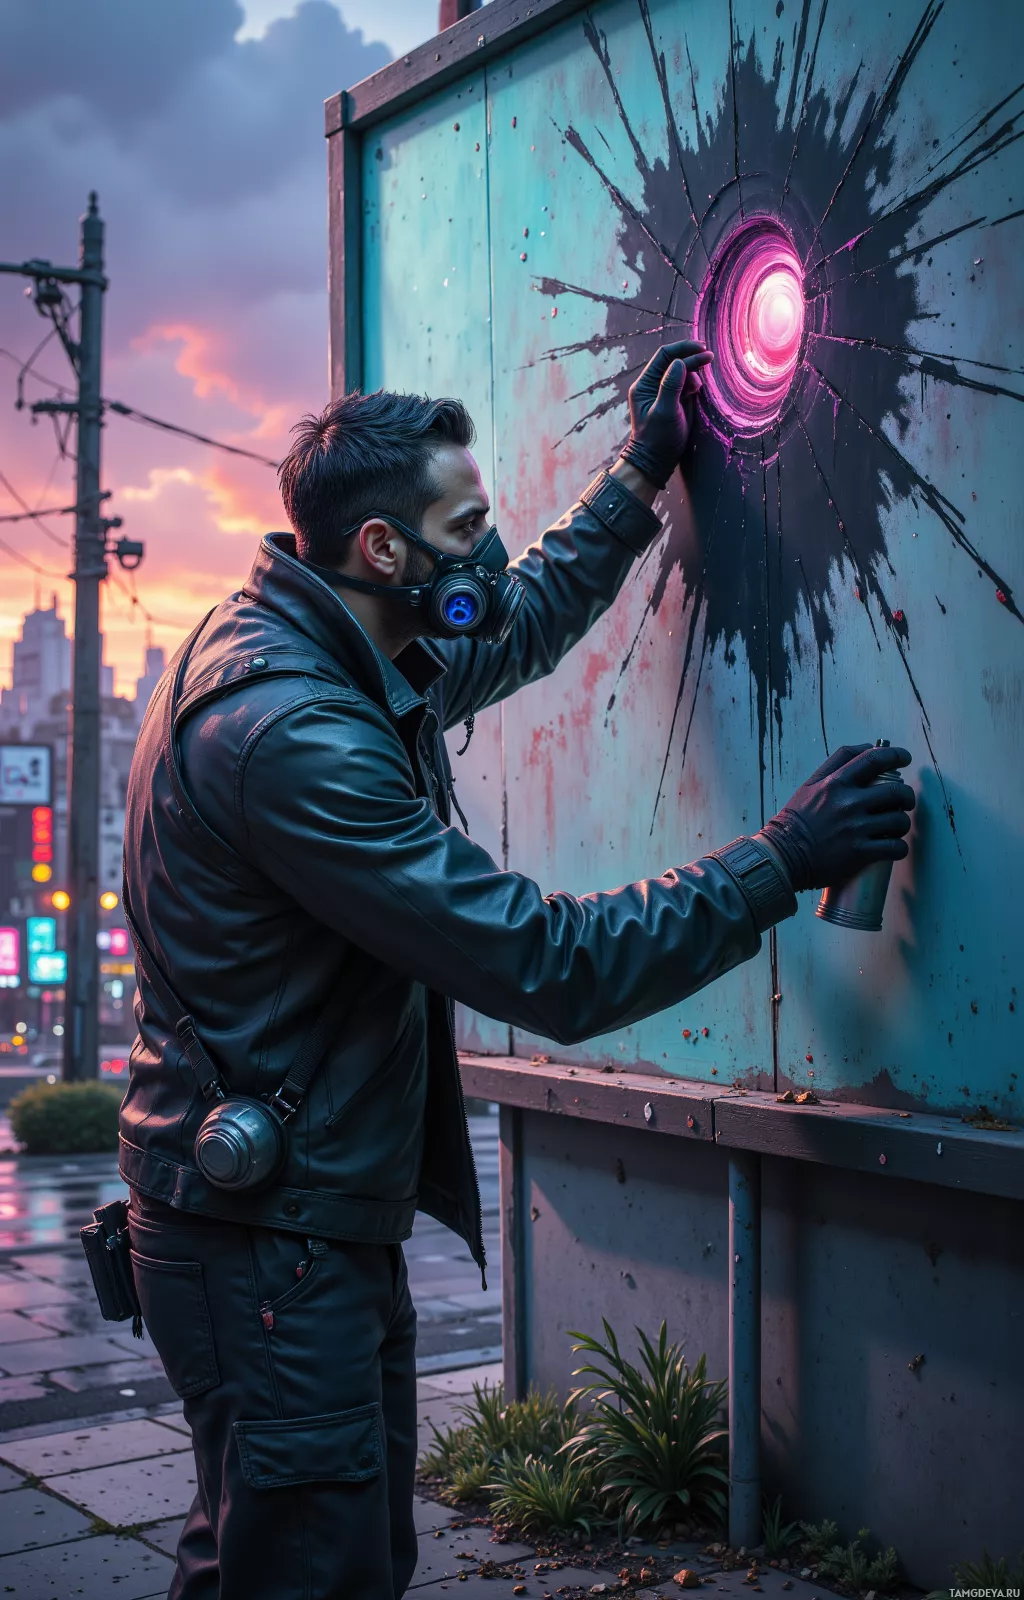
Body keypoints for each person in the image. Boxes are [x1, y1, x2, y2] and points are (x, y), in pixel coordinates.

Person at [119, 341, 915, 1600]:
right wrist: (781, 858)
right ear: (385, 551)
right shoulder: (295, 735)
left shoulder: (332, 643)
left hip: (294, 1226)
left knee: (304, 1562)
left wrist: (643, 468)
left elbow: (519, 615)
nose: (488, 552)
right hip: (269, 1250)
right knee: (306, 1574)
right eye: (468, 524)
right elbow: (547, 962)